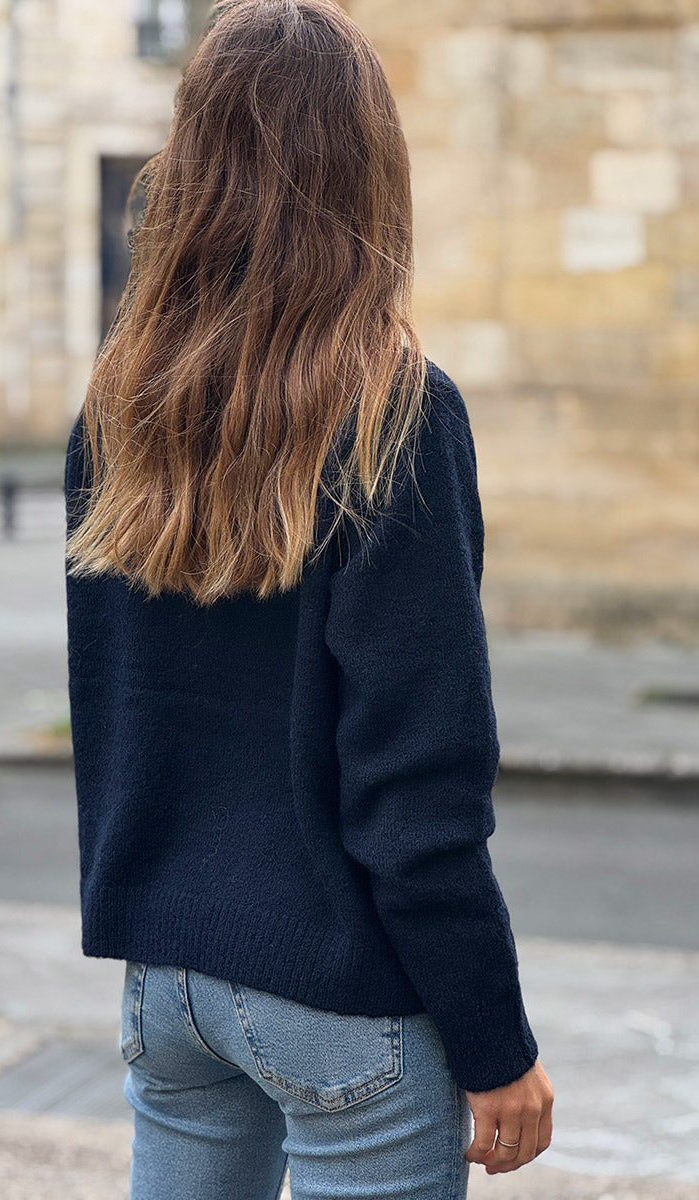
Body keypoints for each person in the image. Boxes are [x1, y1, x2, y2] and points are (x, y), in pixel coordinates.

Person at [63, 1, 554, 1196]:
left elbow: (121, 712)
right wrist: (497, 1048)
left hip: (167, 982)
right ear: (364, 170)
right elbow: (418, 782)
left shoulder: (118, 406)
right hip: (338, 995)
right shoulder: (394, 415)